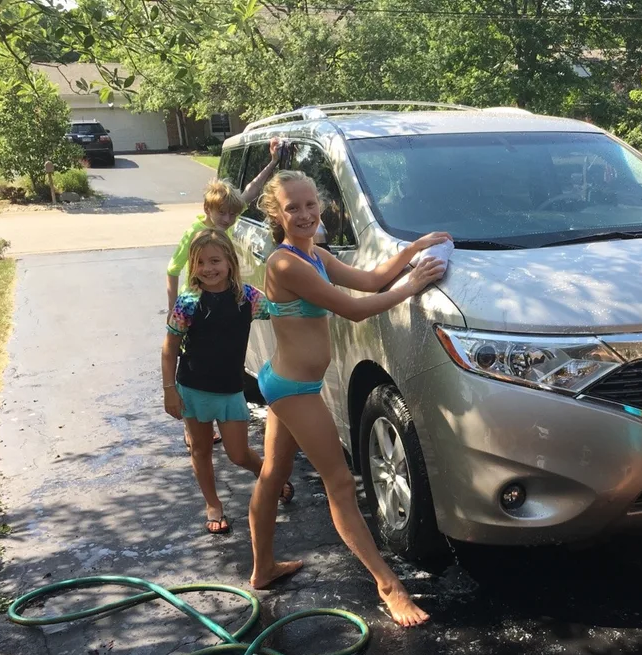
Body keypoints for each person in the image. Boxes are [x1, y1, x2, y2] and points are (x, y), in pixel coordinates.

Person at [248, 169, 449, 627]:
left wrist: (412, 251)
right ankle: (388, 586)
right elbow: (356, 309)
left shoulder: (313, 254)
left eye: (309, 204)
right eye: (292, 207)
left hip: (288, 383)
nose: (303, 213)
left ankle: (262, 568)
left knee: (272, 472)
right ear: (277, 214)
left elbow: (370, 279)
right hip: (293, 389)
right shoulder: (286, 264)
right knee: (340, 485)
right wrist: (413, 285)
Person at [162, 228, 293, 535]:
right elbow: (169, 349)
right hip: (193, 388)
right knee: (201, 449)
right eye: (200, 262)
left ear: (230, 263)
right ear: (193, 267)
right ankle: (213, 504)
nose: (208, 268)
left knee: (238, 453)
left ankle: (270, 478)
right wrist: (169, 390)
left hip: (230, 390)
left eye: (215, 260)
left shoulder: (246, 297)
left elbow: (281, 309)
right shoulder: (188, 302)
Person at [166, 137, 283, 447]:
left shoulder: (224, 224)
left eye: (233, 215)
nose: (229, 220)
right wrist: (173, 306)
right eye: (224, 215)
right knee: (188, 355)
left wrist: (272, 162)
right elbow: (172, 268)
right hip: (194, 303)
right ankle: (191, 425)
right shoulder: (196, 234)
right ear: (209, 209)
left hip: (220, 296)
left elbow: (248, 193)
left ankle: (205, 418)